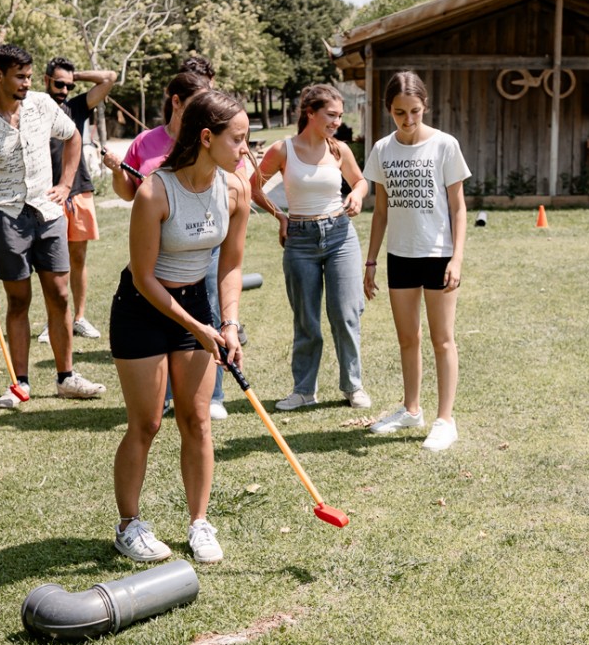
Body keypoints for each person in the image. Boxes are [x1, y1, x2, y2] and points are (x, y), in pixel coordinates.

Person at [108, 90, 251, 565]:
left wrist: (228, 323)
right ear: (206, 138)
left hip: (194, 303)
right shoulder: (154, 191)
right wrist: (200, 326)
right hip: (142, 307)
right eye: (238, 139)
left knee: (197, 419)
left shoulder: (235, 189)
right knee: (147, 422)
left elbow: (231, 265)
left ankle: (199, 522)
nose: (245, 150)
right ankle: (128, 525)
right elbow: (144, 277)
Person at [0, 43, 106, 408]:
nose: (27, 83)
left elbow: (73, 137)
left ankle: (66, 378)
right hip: (5, 216)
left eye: (30, 76)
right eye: (20, 77)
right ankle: (20, 383)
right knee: (18, 300)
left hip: (48, 213)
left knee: (61, 294)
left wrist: (66, 184)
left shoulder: (42, 105)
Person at [107, 70, 230, 420]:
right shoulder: (147, 143)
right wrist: (118, 172)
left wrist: (231, 324)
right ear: (176, 102)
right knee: (147, 421)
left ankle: (212, 395)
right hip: (159, 252)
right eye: (198, 102)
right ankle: (161, 392)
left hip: (203, 247)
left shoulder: (220, 159)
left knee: (211, 315)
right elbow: (130, 193)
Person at [363, 71, 470, 451]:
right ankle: (411, 410)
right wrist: (371, 261)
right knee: (408, 339)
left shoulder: (445, 145)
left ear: (425, 107)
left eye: (415, 111)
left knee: (443, 340)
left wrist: (457, 258)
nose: (408, 120)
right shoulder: (382, 150)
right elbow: (380, 211)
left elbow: (458, 208)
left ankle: (445, 420)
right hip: (400, 255)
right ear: (388, 110)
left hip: (438, 255)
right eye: (399, 113)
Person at [250, 84, 370, 410]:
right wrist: (280, 216)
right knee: (306, 321)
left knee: (345, 315)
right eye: (331, 115)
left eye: (339, 116)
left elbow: (360, 181)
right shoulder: (282, 150)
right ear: (310, 113)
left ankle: (353, 386)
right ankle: (304, 390)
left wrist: (357, 195)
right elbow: (254, 187)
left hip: (340, 235)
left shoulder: (339, 150)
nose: (337, 122)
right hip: (300, 239)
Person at [37, 58, 117, 345]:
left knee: (79, 259)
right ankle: (54, 320)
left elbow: (109, 77)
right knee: (51, 262)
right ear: (46, 80)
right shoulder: (33, 107)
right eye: (59, 84)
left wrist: (75, 75)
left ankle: (79, 318)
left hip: (79, 189)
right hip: (48, 193)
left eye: (68, 86)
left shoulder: (76, 107)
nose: (64, 90)